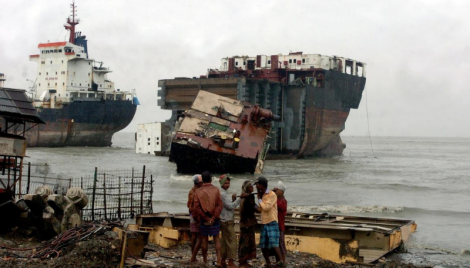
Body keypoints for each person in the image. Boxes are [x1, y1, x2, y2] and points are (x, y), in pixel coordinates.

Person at [191, 171, 223, 266]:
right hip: (214, 218)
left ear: (203, 180)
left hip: (203, 218)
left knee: (204, 240)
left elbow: (196, 207)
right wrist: (213, 217)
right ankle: (218, 261)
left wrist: (205, 217)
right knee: (216, 239)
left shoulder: (198, 191)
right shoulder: (216, 189)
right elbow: (219, 205)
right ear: (211, 179)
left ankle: (205, 261)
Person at [254, 176, 283, 267]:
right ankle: (268, 263)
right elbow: (261, 209)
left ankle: (281, 262)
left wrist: (259, 199)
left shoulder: (272, 195)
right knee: (263, 245)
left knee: (274, 244)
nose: (256, 187)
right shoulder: (262, 194)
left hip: (272, 221)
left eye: (257, 185)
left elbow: (266, 207)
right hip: (264, 222)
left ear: (262, 185)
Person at [219, 174, 243, 268]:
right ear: (221, 183)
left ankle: (223, 260)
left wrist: (233, 199)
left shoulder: (225, 193)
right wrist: (240, 199)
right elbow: (230, 206)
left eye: (228, 183)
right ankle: (231, 261)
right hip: (227, 221)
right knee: (233, 241)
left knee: (224, 241)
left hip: (225, 220)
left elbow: (229, 204)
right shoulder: (222, 194)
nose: (227, 185)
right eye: (225, 183)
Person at [238, 180, 257, 268]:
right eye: (251, 186)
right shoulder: (248, 198)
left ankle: (244, 261)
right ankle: (242, 262)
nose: (253, 187)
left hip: (246, 223)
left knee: (246, 242)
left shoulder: (246, 196)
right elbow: (254, 208)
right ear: (248, 188)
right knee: (245, 243)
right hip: (247, 223)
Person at [188, 174, 203, 254]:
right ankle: (194, 254)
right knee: (199, 236)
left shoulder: (191, 191)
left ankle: (193, 254)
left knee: (194, 236)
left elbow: (189, 206)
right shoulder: (198, 192)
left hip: (192, 215)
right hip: (197, 215)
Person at [274, 181, 287, 262]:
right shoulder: (278, 199)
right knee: (276, 245)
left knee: (281, 245)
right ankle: (278, 261)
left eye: (277, 190)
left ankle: (283, 261)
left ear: (281, 191)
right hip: (275, 224)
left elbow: (280, 206)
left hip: (280, 226)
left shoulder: (283, 201)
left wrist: (273, 196)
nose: (276, 191)